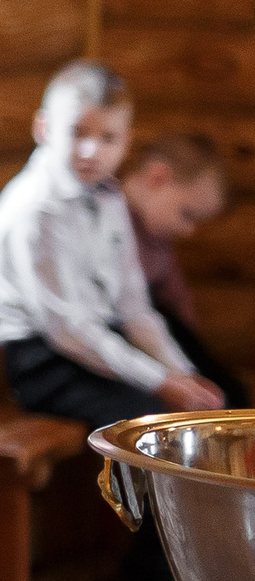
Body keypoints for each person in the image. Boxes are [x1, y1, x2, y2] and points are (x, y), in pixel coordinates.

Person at [0, 62, 225, 581]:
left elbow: (134, 309)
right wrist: (162, 384)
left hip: (95, 346)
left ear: (126, 141)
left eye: (108, 137)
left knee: (187, 424)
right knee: (153, 440)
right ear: (44, 128)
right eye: (78, 132)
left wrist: (181, 371)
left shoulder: (109, 198)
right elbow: (68, 330)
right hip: (45, 362)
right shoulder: (30, 211)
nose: (91, 150)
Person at [122, 131, 246, 408]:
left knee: (228, 392)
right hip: (123, 333)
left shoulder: (158, 237)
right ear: (157, 179)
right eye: (187, 215)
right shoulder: (113, 222)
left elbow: (176, 300)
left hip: (155, 330)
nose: (189, 231)